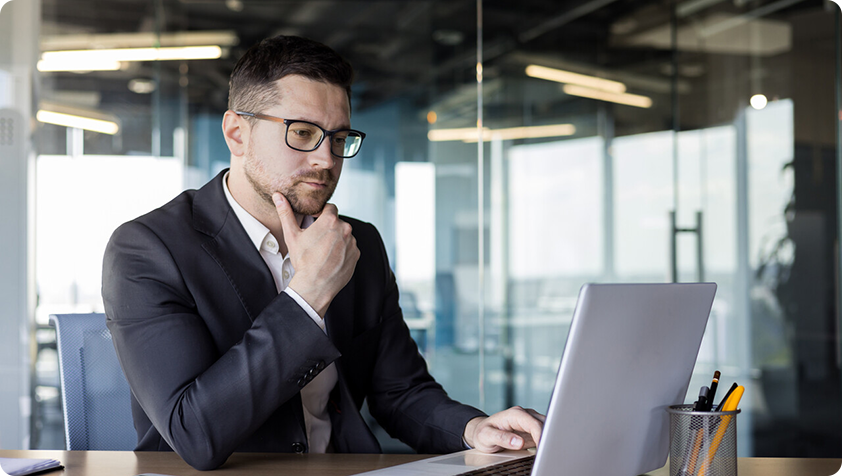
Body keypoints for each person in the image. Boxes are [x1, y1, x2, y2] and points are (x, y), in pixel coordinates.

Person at [102, 35, 543, 471]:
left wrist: (475, 428)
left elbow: (401, 393)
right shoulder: (149, 249)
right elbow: (193, 434)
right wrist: (308, 296)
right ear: (238, 133)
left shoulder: (358, 243)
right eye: (304, 133)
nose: (326, 159)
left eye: (338, 137)